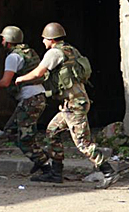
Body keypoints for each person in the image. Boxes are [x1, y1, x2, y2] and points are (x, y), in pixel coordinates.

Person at [15, 22, 119, 189]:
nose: (42, 42)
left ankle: (108, 171)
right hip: (71, 103)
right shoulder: (71, 50)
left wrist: (21, 78)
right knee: (52, 132)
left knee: (82, 143)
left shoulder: (54, 53)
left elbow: (38, 73)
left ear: (51, 39)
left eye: (44, 39)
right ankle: (56, 173)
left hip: (74, 104)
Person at [0, 26, 49, 173]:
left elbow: (5, 82)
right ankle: (41, 158)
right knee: (15, 131)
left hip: (31, 100)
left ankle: (45, 165)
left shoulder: (13, 57)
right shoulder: (29, 52)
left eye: (3, 38)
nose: (2, 41)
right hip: (37, 97)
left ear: (9, 41)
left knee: (21, 136)